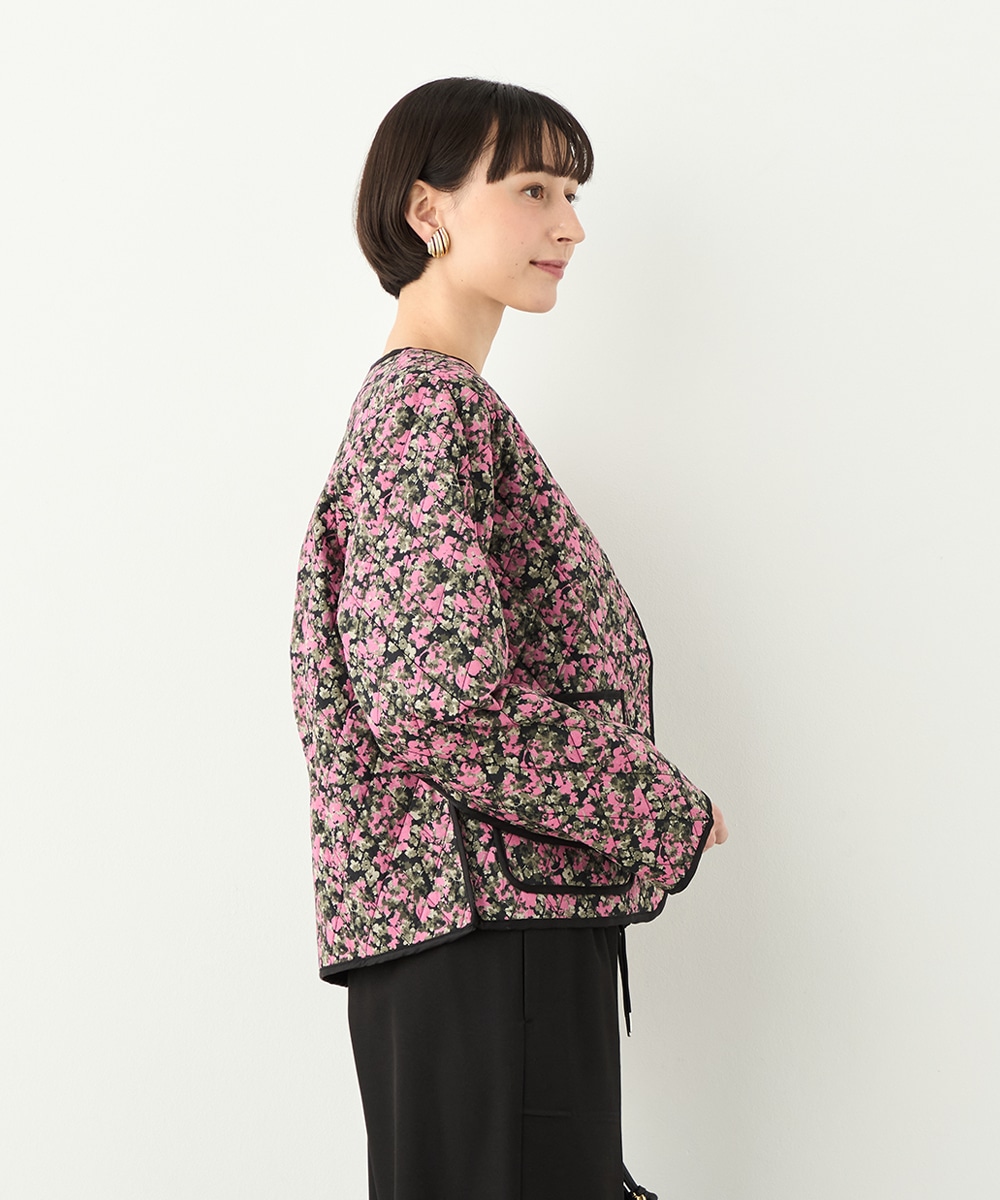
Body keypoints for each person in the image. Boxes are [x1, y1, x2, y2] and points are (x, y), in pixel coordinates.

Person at [290, 76, 728, 1200]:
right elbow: (436, 700)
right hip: (487, 936)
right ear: (426, 209)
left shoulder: (430, 410)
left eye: (572, 194)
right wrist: (658, 805)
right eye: (533, 188)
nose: (569, 226)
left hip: (474, 933)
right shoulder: (424, 411)